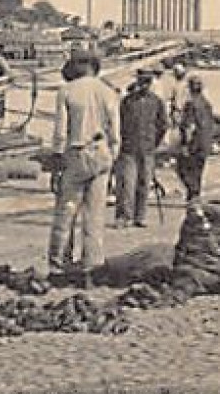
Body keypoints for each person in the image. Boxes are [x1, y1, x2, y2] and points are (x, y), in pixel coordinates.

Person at [46, 48, 121, 283]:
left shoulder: (67, 91)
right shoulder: (108, 91)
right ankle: (92, 265)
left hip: (76, 153)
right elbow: (115, 133)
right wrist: (112, 156)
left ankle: (59, 264)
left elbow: (60, 132)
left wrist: (57, 159)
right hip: (101, 152)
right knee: (95, 215)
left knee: (66, 211)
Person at [114, 70, 167, 227]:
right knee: (127, 184)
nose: (144, 85)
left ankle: (140, 216)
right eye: (141, 81)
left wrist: (155, 143)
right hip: (128, 148)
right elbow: (118, 123)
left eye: (147, 82)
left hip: (148, 148)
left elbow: (162, 125)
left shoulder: (157, 102)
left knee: (144, 183)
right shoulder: (127, 101)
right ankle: (124, 216)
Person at [176, 73, 215, 202]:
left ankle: (192, 191)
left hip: (194, 142)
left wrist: (185, 145)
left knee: (182, 168)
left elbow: (188, 126)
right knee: (198, 170)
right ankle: (195, 194)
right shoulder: (207, 104)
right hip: (205, 142)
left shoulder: (191, 104)